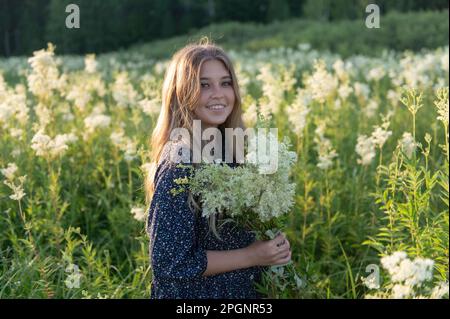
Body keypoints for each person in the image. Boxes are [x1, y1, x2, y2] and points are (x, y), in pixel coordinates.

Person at [144, 39, 291, 299]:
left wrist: (271, 246)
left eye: (226, 83)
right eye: (203, 85)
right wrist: (252, 255)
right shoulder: (180, 161)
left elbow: (239, 232)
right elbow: (169, 262)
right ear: (181, 93)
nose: (219, 94)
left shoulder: (236, 150)